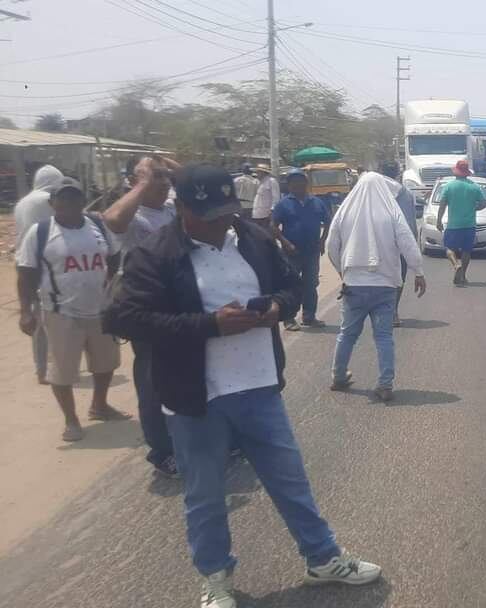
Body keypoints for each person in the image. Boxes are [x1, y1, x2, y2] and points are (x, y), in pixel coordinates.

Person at [103, 164, 381, 608]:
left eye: (229, 211)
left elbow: (292, 285)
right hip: (196, 398)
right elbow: (121, 318)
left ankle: (322, 558)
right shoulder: (155, 254)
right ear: (185, 210)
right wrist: (209, 324)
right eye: (212, 214)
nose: (223, 222)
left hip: (259, 387)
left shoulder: (252, 239)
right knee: (205, 496)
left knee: (291, 482)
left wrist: (276, 306)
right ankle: (215, 579)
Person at [16, 178, 128, 442]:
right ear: (52, 202)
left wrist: (108, 287)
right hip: (61, 313)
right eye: (62, 198)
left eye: (74, 197)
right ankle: (71, 420)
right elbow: (25, 273)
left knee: (106, 363)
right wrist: (26, 311)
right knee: (64, 371)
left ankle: (99, 406)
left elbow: (114, 256)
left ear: (82, 200)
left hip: (100, 310)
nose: (69, 202)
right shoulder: (40, 232)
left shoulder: (98, 225)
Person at [102, 154, 182, 477]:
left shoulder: (172, 211)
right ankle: (162, 451)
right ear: (135, 182)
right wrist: (144, 182)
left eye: (164, 177)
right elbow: (113, 219)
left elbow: (198, 182)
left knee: (186, 374)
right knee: (152, 381)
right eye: (153, 177)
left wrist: (167, 165)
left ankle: (192, 439)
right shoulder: (135, 217)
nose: (162, 183)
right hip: (146, 309)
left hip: (178, 306)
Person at [326, 172, 427, 399]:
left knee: (347, 334)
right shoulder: (391, 212)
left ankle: (338, 377)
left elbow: (331, 245)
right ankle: (385, 385)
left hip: (353, 285)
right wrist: (418, 271)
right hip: (385, 286)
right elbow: (407, 242)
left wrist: (343, 271)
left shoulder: (345, 211)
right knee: (383, 336)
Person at [14, 164, 64, 385]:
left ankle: (41, 369)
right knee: (51, 315)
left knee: (37, 314)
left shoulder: (22, 202)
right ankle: (56, 367)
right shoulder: (47, 199)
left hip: (24, 261)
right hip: (44, 261)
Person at [273, 169, 330, 330]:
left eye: (301, 181)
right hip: (291, 252)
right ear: (289, 185)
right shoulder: (283, 204)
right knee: (291, 285)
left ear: (306, 183)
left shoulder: (317, 202)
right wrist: (284, 243)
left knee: (311, 284)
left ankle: (309, 317)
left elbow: (327, 221)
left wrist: (322, 241)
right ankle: (289, 319)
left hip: (312, 252)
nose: (298, 184)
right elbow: (273, 226)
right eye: (294, 182)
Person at [377, 160, 420, 327]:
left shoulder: (371, 193)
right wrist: (412, 247)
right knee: (398, 280)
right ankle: (392, 311)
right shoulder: (406, 194)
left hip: (376, 244)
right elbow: (410, 225)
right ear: (397, 174)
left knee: (379, 279)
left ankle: (383, 312)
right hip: (398, 246)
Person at [435, 159, 486, 286]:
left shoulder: (449, 186)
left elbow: (442, 205)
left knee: (449, 249)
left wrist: (439, 220)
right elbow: (483, 203)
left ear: (456, 172)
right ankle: (463, 275)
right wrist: (474, 208)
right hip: (469, 225)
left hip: (453, 225)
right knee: (466, 251)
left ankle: (456, 264)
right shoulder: (474, 187)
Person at [251, 164, 279, 229]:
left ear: (263, 172)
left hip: (266, 215)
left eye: (258, 172)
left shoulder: (271, 181)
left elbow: (276, 198)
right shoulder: (259, 182)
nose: (257, 174)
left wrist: (272, 213)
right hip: (256, 214)